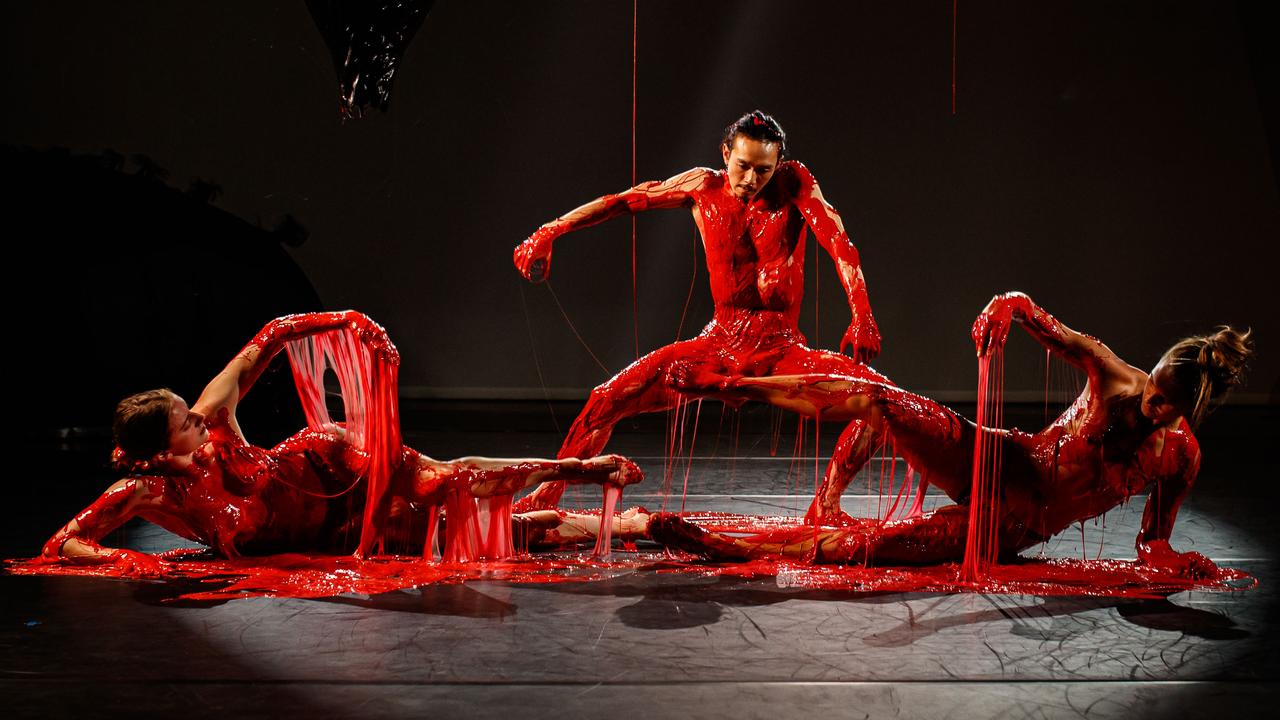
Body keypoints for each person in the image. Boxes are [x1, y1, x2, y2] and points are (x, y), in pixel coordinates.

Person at [648, 292, 1252, 579]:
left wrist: (1175, 561)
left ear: (1187, 413)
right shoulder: (1116, 374)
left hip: (1012, 526)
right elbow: (1043, 324)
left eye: (1164, 402)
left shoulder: (1181, 459)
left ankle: (724, 547)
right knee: (882, 399)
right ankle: (734, 385)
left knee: (871, 550)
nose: (1150, 398)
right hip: (1002, 456)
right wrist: (1005, 305)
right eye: (1154, 385)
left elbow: (1154, 541)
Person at [42, 311, 647, 576]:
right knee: (494, 536)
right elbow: (68, 541)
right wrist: (135, 563)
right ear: (158, 448)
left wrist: (345, 321)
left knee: (447, 482)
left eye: (190, 411)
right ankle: (625, 527)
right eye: (184, 421)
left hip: (330, 466)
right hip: (338, 533)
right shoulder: (148, 491)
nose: (197, 419)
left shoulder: (214, 418)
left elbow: (272, 335)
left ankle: (582, 467)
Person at [513, 110, 887, 511]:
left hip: (781, 350)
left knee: (883, 405)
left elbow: (837, 238)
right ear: (725, 153)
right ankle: (545, 497)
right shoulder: (701, 186)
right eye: (742, 166)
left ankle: (827, 502)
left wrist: (862, 314)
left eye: (763, 170)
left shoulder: (794, 182)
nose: (750, 179)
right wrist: (550, 229)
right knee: (605, 399)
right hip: (718, 344)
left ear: (778, 164)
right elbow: (624, 201)